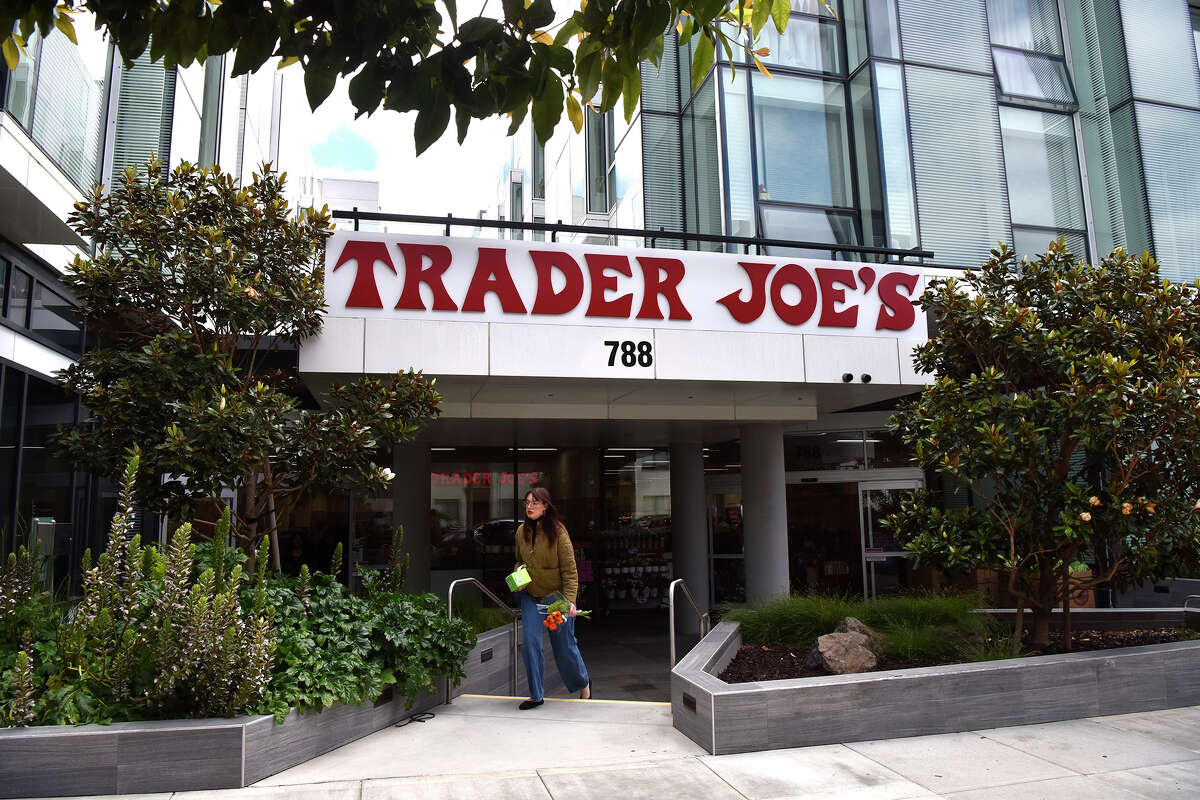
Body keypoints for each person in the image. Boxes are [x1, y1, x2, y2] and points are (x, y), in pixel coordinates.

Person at [513, 487, 591, 709]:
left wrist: (569, 601)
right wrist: (519, 575)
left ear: (545, 506)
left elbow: (569, 569)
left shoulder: (558, 532)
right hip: (530, 597)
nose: (529, 507)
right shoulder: (521, 532)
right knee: (530, 644)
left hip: (555, 601)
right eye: (527, 503)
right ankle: (536, 695)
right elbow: (518, 560)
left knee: (563, 646)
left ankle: (583, 683)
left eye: (535, 503)